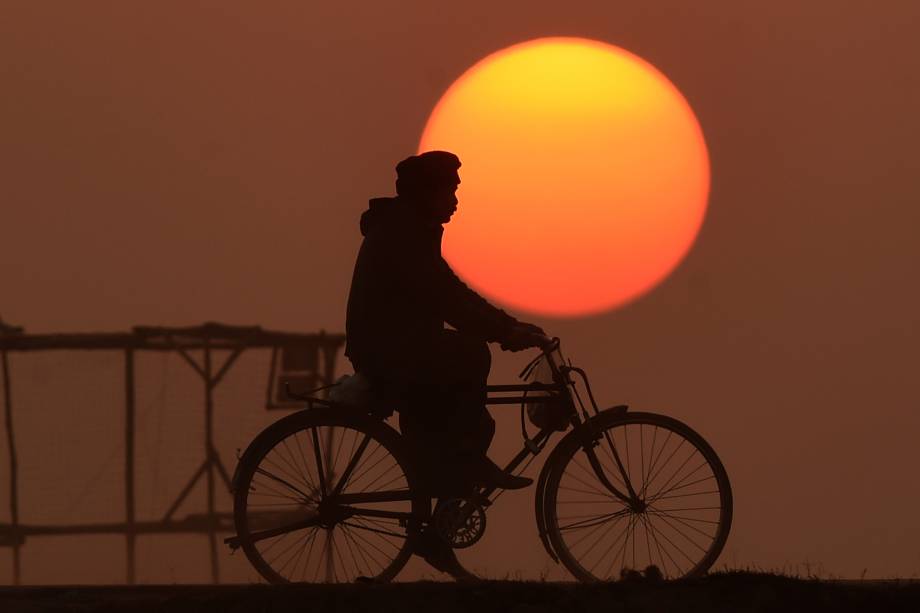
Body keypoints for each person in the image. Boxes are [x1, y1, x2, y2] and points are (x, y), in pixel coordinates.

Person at [344, 151, 547, 573]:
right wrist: (504, 332)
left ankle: (436, 525)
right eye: (449, 190)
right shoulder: (402, 235)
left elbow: (449, 291)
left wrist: (504, 325)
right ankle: (465, 467)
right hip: (390, 350)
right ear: (426, 193)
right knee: (470, 355)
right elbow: (445, 297)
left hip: (402, 346)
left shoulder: (409, 231)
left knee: (458, 422)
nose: (455, 199)